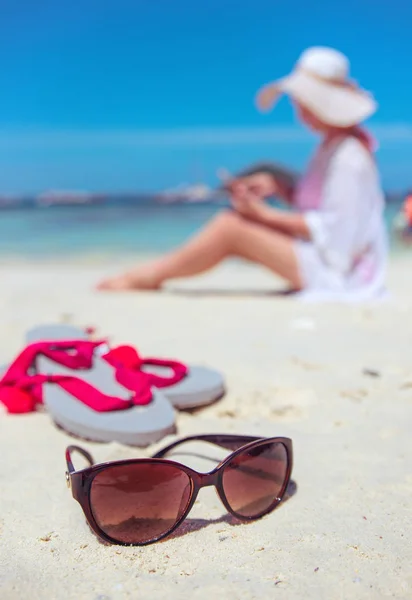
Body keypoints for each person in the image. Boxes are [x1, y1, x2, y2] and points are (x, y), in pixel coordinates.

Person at [97, 46, 387, 299]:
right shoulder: (333, 148)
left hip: (341, 276)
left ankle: (149, 276)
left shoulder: (348, 156)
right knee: (232, 224)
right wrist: (278, 187)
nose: (299, 110)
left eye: (303, 102)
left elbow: (338, 233)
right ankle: (151, 275)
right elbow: (322, 211)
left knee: (230, 227)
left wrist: (263, 215)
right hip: (328, 262)